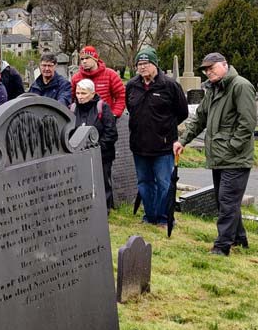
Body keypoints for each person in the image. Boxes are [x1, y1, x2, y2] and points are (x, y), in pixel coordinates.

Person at [175, 53, 256, 256]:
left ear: (225, 65)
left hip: (234, 158)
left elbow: (247, 123)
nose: (208, 72)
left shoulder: (240, 86)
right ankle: (239, 239)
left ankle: (222, 246)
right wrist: (183, 141)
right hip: (219, 157)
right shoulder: (212, 89)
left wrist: (232, 146)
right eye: (206, 69)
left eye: (212, 68)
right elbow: (200, 118)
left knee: (227, 201)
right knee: (224, 201)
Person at [125, 46, 188, 226]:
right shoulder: (132, 86)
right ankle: (149, 216)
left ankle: (163, 217)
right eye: (139, 64)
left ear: (155, 65)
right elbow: (131, 109)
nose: (142, 67)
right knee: (144, 182)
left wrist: (164, 128)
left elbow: (182, 112)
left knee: (164, 183)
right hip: (139, 144)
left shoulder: (169, 85)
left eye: (146, 63)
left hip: (163, 145)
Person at [71, 79, 117, 211]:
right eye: (78, 93)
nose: (80, 96)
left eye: (83, 93)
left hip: (101, 154)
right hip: (79, 153)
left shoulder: (102, 108)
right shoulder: (73, 108)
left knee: (102, 182)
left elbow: (111, 132)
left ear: (92, 93)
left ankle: (104, 209)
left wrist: (96, 149)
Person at [71, 45, 126, 117]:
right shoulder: (76, 78)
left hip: (105, 119)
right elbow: (71, 99)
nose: (84, 61)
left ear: (95, 59)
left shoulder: (110, 75)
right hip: (83, 119)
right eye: (82, 59)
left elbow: (121, 96)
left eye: (87, 58)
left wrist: (114, 114)